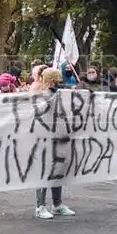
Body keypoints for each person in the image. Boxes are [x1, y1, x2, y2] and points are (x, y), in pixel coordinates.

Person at [34, 68, 76, 220]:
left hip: (60, 136)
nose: (60, 82)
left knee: (58, 170)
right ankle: (40, 206)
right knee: (45, 172)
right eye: (57, 79)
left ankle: (57, 205)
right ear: (51, 80)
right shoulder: (40, 95)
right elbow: (36, 113)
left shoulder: (61, 94)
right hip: (45, 138)